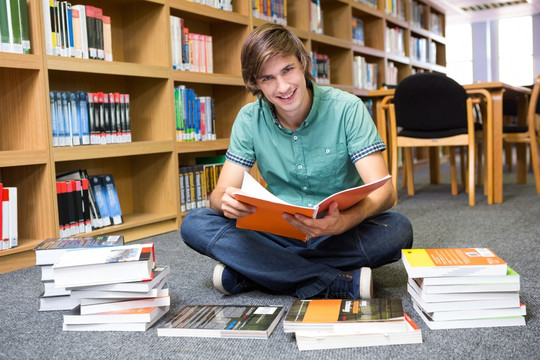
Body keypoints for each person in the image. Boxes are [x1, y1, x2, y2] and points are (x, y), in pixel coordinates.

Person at [180, 23, 413, 300]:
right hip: (278, 231)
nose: (283, 87)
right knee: (195, 222)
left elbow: (385, 192)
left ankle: (258, 271)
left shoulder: (347, 108)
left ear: (303, 63)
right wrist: (224, 202)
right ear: (255, 83)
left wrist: (343, 222)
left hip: (339, 231)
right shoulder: (248, 118)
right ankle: (330, 281)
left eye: (287, 70)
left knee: (397, 230)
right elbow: (220, 194)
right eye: (268, 78)